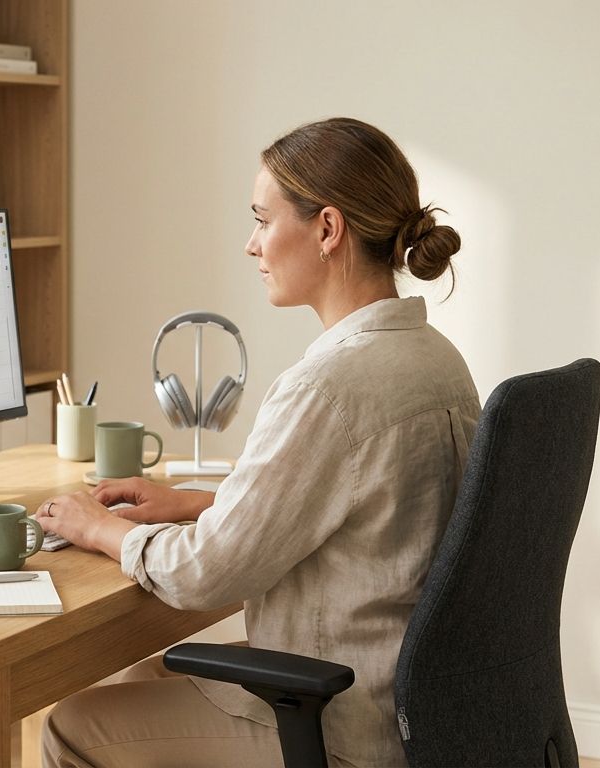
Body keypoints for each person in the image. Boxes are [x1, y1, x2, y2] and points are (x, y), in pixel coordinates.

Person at [34, 117, 482, 768]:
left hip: (345, 723)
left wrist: (99, 528)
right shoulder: (437, 359)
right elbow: (365, 511)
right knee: (145, 680)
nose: (251, 245)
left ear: (327, 229)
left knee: (75, 726)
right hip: (415, 704)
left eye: (262, 220)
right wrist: (196, 504)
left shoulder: (327, 388)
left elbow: (203, 575)